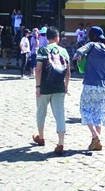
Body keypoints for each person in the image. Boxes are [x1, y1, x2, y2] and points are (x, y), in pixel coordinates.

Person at [72, 26, 105, 151]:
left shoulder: (92, 45)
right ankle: (95, 142)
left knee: (85, 110)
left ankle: (96, 136)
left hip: (90, 83)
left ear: (93, 36)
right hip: (104, 86)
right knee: (99, 114)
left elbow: (79, 52)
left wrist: (77, 59)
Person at [32, 26, 70, 156]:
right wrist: (66, 86)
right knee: (60, 114)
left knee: (41, 112)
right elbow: (68, 71)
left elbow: (38, 69)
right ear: (57, 37)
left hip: (44, 87)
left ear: (47, 37)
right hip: (59, 87)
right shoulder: (64, 51)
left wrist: (37, 86)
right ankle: (60, 143)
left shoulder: (42, 50)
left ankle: (41, 137)